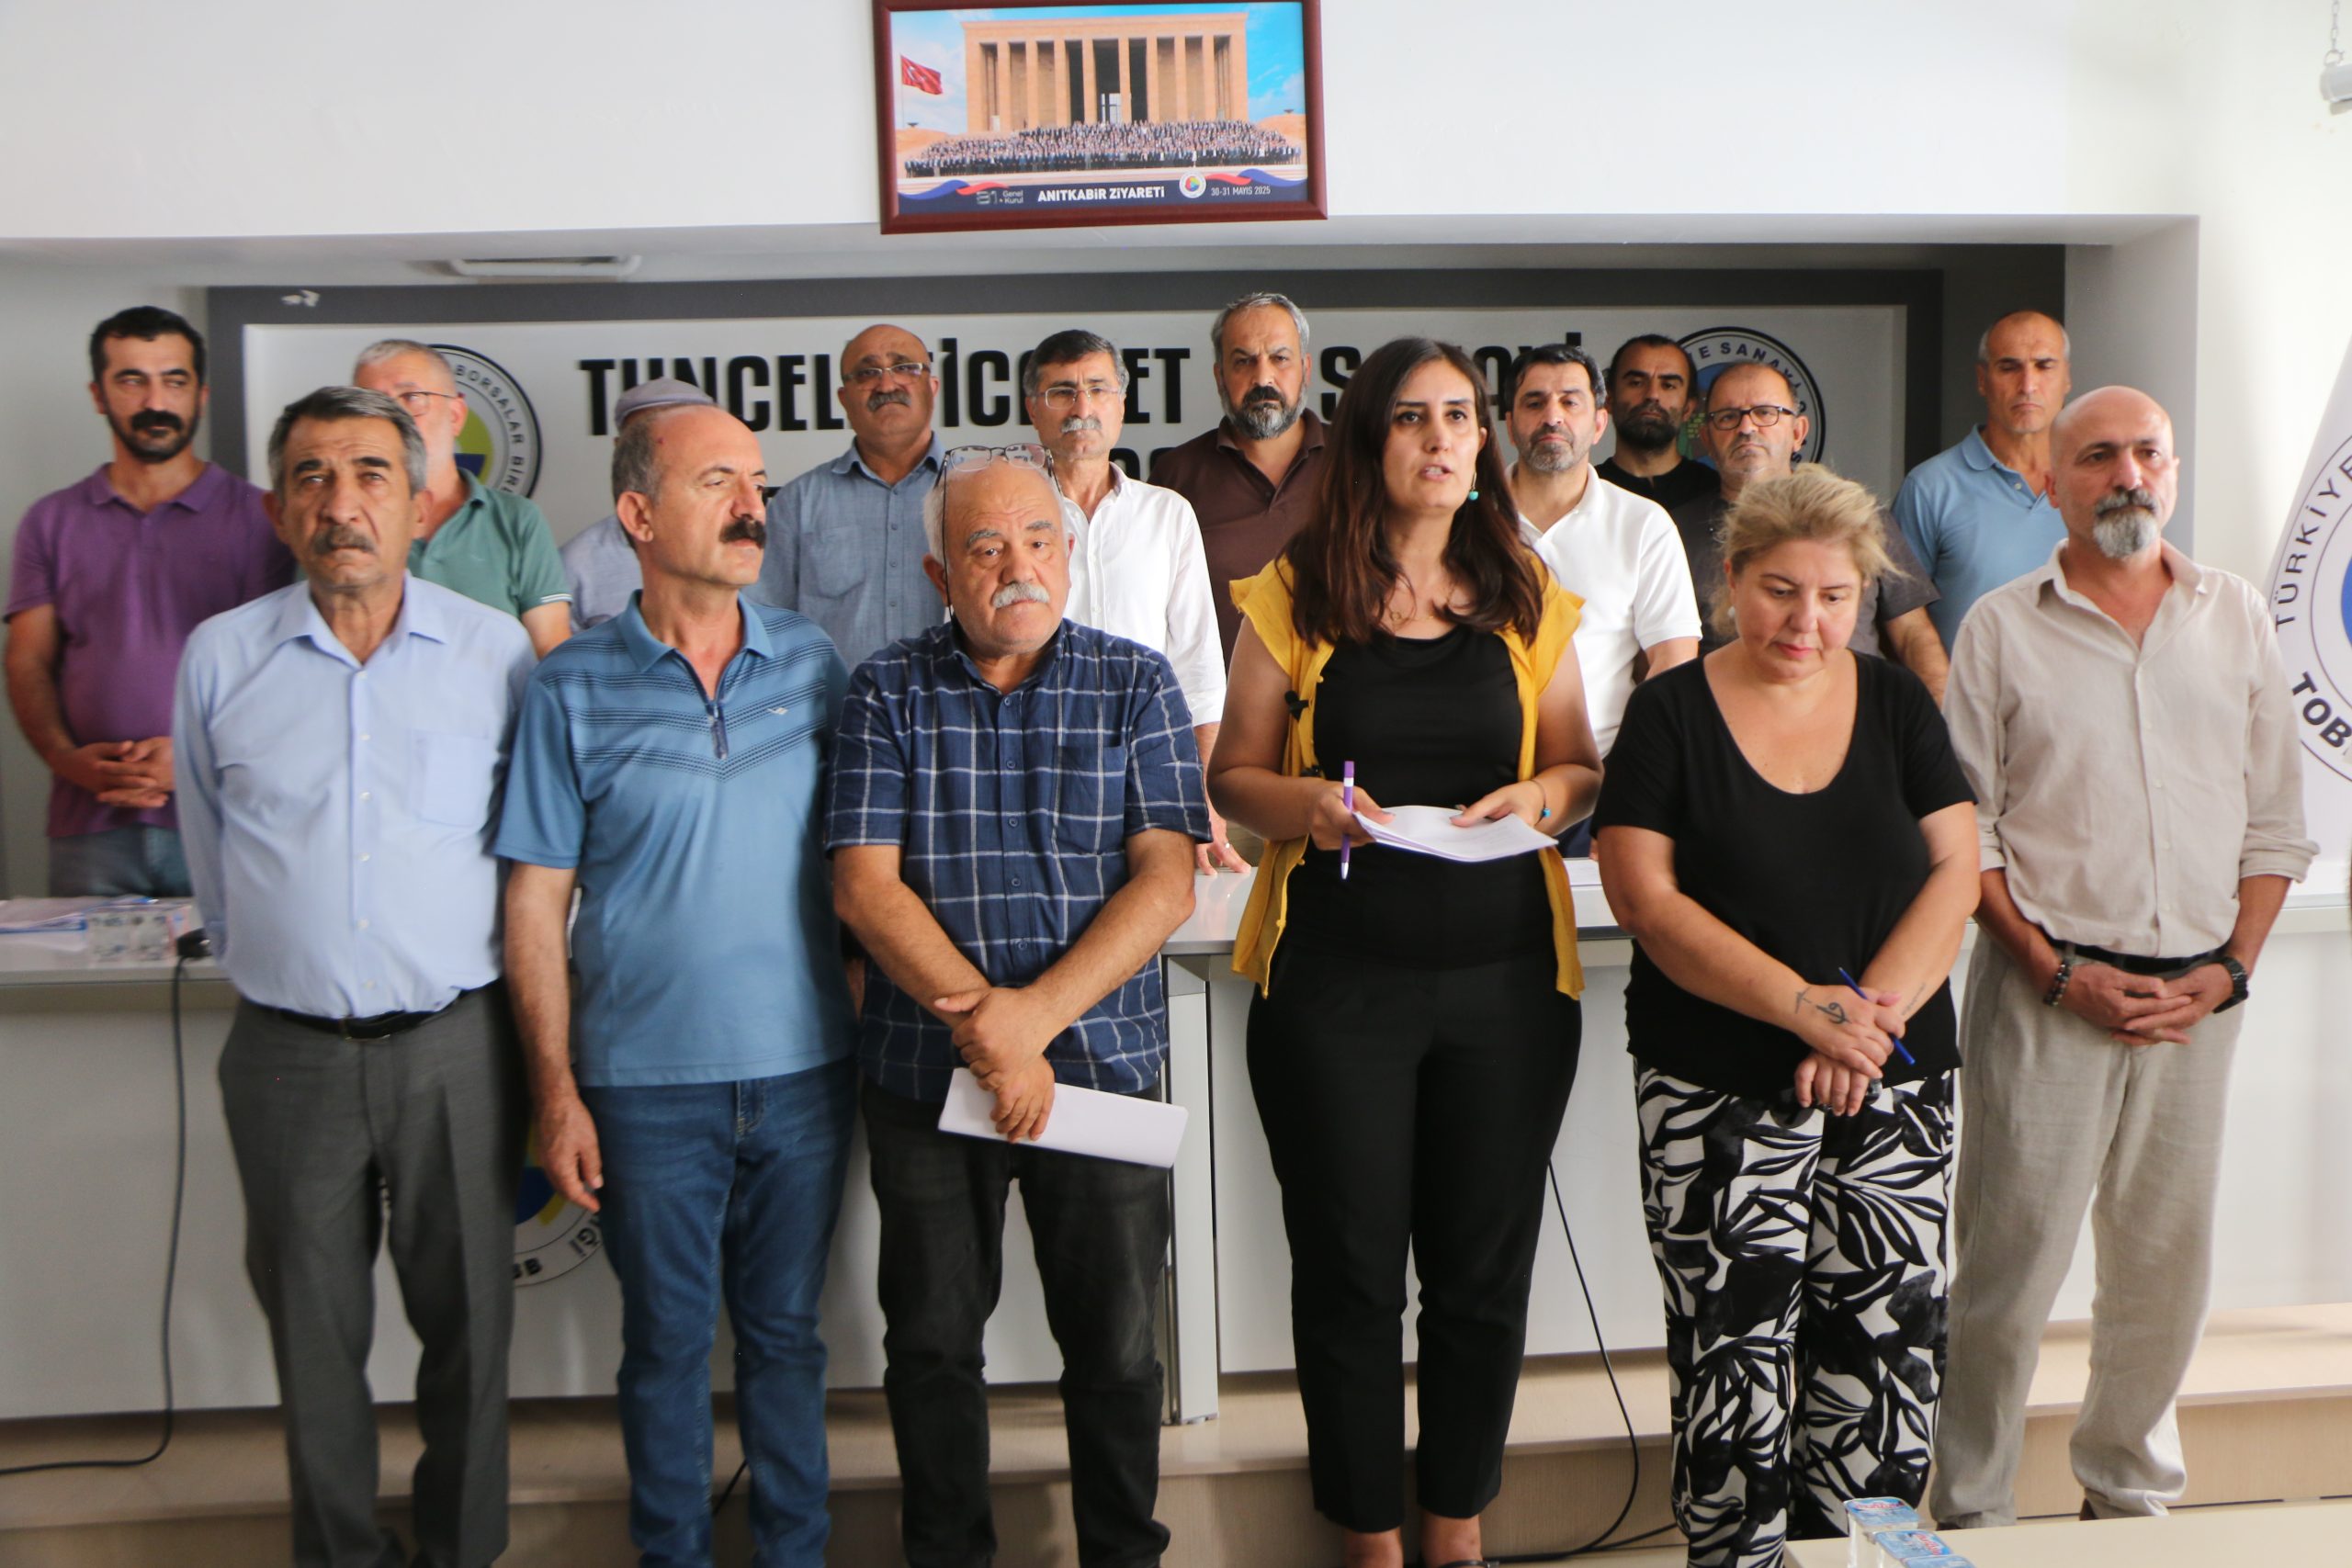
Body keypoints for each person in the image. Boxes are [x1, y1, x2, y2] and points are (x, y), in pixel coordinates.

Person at [1208, 337, 1603, 1568]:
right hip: (1335, 987)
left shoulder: (1526, 590)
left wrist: (1539, 798)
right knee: (1350, 1272)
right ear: (1368, 440)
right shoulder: (1293, 592)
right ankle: (1369, 1536)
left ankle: (1456, 1525)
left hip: (1508, 989)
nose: (1442, 439)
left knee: (1481, 1273)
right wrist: (1312, 807)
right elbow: (1233, 777)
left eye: (1460, 417)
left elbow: (1579, 766)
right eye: (1413, 419)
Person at [1929, 387, 2314, 1530]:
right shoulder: (1999, 627)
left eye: (2148, 452)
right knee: (2007, 1271)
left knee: (2161, 1273)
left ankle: (2128, 1498)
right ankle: (1973, 1510)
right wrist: (2056, 973)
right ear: (2050, 483)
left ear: (2174, 472)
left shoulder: (2235, 616)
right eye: (2098, 456)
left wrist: (2230, 970)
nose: (2128, 474)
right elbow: (1967, 837)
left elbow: (2273, 823)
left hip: (2198, 1000)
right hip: (2046, 993)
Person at [1592, 465, 1979, 1568]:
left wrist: (1864, 1026)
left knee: (1887, 1358)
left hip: (1892, 1080)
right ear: (1730, 580)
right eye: (1778, 591)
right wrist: (1809, 1013)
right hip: (1717, 1083)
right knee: (1734, 1363)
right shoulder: (1668, 713)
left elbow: (1955, 871)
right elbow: (1645, 901)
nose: (1805, 621)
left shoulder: (1896, 702)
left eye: (1833, 597)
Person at [174, 386, 535, 1568]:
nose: (343, 503)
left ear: (421, 503)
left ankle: (460, 1551)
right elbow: (209, 851)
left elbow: (534, 862)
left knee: (471, 1328)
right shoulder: (220, 657)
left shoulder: (493, 652)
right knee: (312, 1339)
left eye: (371, 474)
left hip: (458, 1046)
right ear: (278, 510)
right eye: (313, 477)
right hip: (287, 1055)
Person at [829, 445, 1205, 1568]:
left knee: (1119, 1350)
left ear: (1071, 556)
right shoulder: (884, 691)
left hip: (1099, 1068)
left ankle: (1122, 1554)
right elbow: (865, 886)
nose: (1017, 566)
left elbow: (1165, 881)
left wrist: (1030, 1021)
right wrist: (990, 1036)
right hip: (925, 1080)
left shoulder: (1136, 683)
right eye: (985, 547)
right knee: (933, 1344)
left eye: (1040, 541)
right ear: (940, 576)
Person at [500, 401, 856, 1567]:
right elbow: (534, 905)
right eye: (718, 484)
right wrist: (555, 1091)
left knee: (787, 1341)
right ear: (638, 516)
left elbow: (863, 866)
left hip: (805, 1073)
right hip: (642, 1086)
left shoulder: (809, 663)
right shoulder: (569, 687)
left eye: (757, 482)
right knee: (662, 1347)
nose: (753, 507)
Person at [6, 306, 291, 896]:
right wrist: (65, 759)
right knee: (83, 964)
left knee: (226, 960)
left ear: (201, 394)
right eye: (132, 380)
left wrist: (194, 759)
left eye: (174, 380)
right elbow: (27, 659)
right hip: (89, 823)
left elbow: (277, 671)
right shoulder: (49, 521)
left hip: (223, 817)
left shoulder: (262, 518)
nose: (155, 401)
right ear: (98, 394)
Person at [1023, 328, 1241, 874]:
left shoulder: (1168, 515)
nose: (1082, 407)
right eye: (1062, 392)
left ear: (1121, 403)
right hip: (1031, 780)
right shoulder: (1009, 516)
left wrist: (1204, 795)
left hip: (1154, 781)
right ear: (1033, 409)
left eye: (1098, 389)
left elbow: (1199, 673)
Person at [1504, 342, 1701, 855]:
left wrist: (1630, 784)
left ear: (1598, 423)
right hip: (1481, 784)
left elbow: (1673, 665)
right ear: (1509, 424)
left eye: (1570, 402)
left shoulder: (1643, 524)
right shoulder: (1464, 520)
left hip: (1597, 790)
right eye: (1534, 402)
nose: (1552, 416)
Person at [1673, 362, 1951, 700]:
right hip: (1728, 718)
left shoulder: (1858, 517)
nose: (1747, 427)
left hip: (1856, 712)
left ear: (1798, 432)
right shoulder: (1671, 532)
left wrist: (1941, 719)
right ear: (1706, 438)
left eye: (1765, 413)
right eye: (1728, 417)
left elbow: (1912, 634)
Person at [350, 339, 572, 655]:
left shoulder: (516, 520)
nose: (393, 418)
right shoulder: (343, 521)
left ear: (455, 415)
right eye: (374, 404)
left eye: (411, 398)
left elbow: (550, 649)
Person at [1150, 291, 1329, 660]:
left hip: (1343, 692)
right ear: (1220, 377)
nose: (1263, 377)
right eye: (1243, 361)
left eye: (1280, 358)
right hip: (1219, 697)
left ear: (1306, 369)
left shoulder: (1358, 461)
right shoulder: (1176, 476)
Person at [756, 322, 944, 666]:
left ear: (932, 387)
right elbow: (763, 625)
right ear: (844, 399)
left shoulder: (976, 489)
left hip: (953, 698)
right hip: (837, 700)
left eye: (904, 367)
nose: (886, 385)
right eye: (867, 373)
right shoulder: (798, 503)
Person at [1894, 310, 2072, 649]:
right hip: (1963, 685)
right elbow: (1900, 616)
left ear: (2067, 378)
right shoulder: (1929, 488)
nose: (2028, 385)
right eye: (2009, 367)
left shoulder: (2093, 485)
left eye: (2044, 366)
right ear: (1981, 379)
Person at [559, 376, 716, 629]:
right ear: (621, 450)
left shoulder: (747, 539)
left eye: (684, 438)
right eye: (646, 442)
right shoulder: (577, 563)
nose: (665, 452)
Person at [1595, 334, 1721, 512]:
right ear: (1609, 399)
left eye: (1668, 385)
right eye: (1636, 383)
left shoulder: (1718, 494)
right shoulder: (1585, 492)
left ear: (1688, 408)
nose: (1652, 394)